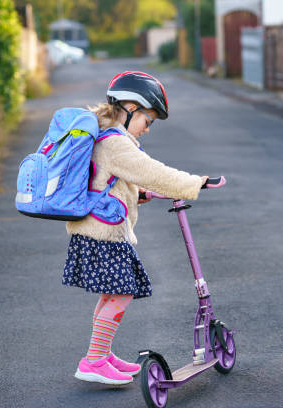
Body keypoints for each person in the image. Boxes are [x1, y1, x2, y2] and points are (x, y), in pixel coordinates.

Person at [63, 71, 208, 385]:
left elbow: (106, 180)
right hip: (103, 234)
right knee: (121, 292)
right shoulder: (116, 143)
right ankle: (94, 361)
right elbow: (151, 171)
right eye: (148, 119)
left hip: (95, 230)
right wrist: (194, 183)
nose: (147, 128)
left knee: (112, 293)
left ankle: (101, 354)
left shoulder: (107, 138)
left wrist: (135, 195)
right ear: (130, 107)